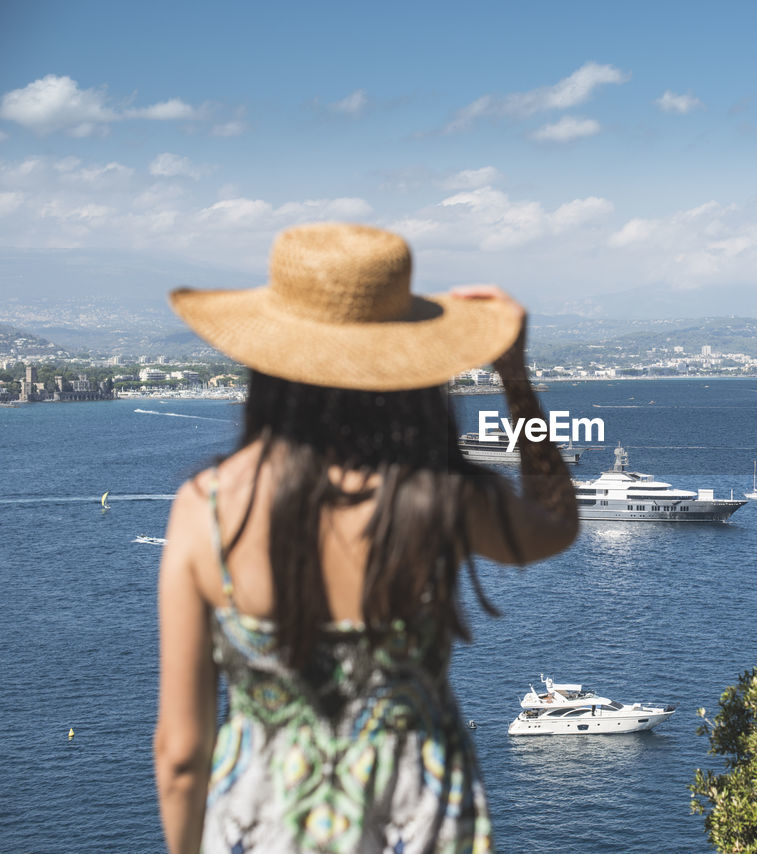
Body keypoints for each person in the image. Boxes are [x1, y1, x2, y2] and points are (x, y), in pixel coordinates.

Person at [153, 223, 578, 853]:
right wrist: (515, 380)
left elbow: (181, 754)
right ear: (409, 359)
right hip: (420, 824)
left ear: (271, 359)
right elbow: (556, 523)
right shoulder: (441, 494)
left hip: (262, 827)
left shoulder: (207, 509)